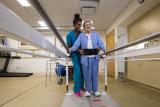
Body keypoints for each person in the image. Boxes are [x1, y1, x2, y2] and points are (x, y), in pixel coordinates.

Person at [70, 20, 106, 97]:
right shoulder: (81, 35)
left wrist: (105, 50)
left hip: (94, 58)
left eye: (89, 24)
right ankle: (88, 91)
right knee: (87, 75)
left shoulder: (96, 34)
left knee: (95, 74)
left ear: (91, 26)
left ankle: (95, 90)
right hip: (85, 58)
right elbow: (76, 44)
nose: (88, 26)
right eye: (86, 25)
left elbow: (101, 44)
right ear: (84, 27)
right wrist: (71, 50)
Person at [66, 14, 84, 97]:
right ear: (74, 25)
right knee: (78, 71)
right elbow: (69, 47)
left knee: (83, 71)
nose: (79, 27)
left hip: (82, 55)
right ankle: (76, 89)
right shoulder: (69, 35)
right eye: (78, 25)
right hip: (74, 54)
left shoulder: (82, 34)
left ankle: (81, 87)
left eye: (80, 25)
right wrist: (78, 50)